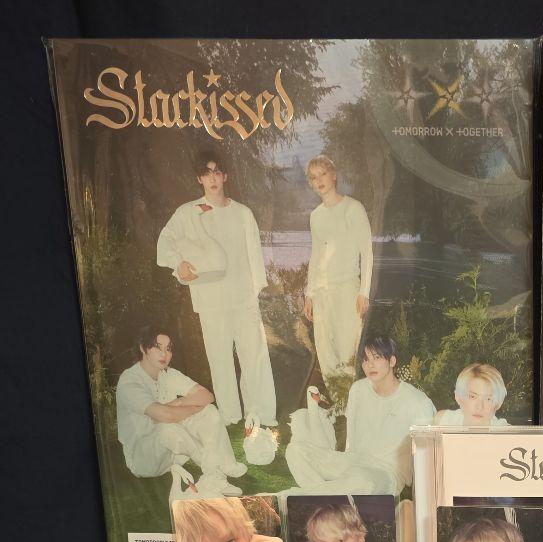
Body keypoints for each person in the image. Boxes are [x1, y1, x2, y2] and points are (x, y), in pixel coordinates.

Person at [156, 152, 277, 426]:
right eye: (206, 173)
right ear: (199, 178)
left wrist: (254, 292)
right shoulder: (188, 213)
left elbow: (255, 257)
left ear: (225, 176)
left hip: (243, 298)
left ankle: (261, 414)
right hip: (210, 299)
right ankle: (230, 415)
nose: (212, 178)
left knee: (254, 357)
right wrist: (179, 264)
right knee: (220, 359)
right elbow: (165, 242)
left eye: (217, 172)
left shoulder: (242, 213)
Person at [285, 336, 435, 493]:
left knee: (364, 482)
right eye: (365, 359)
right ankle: (328, 495)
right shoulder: (358, 390)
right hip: (353, 461)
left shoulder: (417, 402)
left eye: (376, 357)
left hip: (386, 473)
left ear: (392, 361)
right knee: (295, 451)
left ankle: (309, 496)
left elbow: (427, 456)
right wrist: (345, 461)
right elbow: (351, 436)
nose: (370, 365)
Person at [115, 327, 246, 494]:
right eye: (158, 347)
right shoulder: (129, 381)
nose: (164, 354)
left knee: (208, 411)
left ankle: (226, 463)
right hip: (144, 459)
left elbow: (207, 396)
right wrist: (182, 409)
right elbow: (164, 416)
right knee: (167, 427)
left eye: (168, 348)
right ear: (143, 348)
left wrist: (180, 402)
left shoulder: (168, 374)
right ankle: (214, 474)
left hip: (174, 455)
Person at [303, 155, 373, 385]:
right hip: (322, 294)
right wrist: (309, 294)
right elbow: (316, 256)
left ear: (333, 175)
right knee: (326, 355)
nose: (319, 180)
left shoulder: (353, 208)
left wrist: (363, 292)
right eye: (314, 177)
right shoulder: (316, 216)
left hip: (347, 290)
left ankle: (349, 400)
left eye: (323, 174)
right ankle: (336, 400)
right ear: (311, 183)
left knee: (347, 351)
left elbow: (367, 253)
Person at [434, 362, 511, 427]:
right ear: (458, 397)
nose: (479, 407)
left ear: (499, 404)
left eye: (488, 399)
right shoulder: (443, 421)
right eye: (472, 396)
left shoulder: (506, 433)